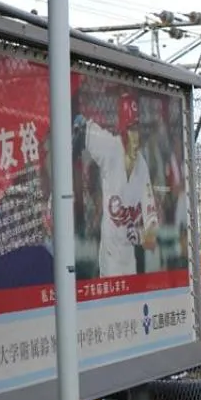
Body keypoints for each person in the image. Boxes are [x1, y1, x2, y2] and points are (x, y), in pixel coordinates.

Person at [75, 93, 155, 278]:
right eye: (131, 128)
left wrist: (141, 235)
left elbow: (151, 230)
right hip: (110, 255)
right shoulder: (110, 147)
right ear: (122, 130)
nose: (135, 135)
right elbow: (80, 124)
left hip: (129, 258)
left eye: (138, 128)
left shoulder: (142, 167)